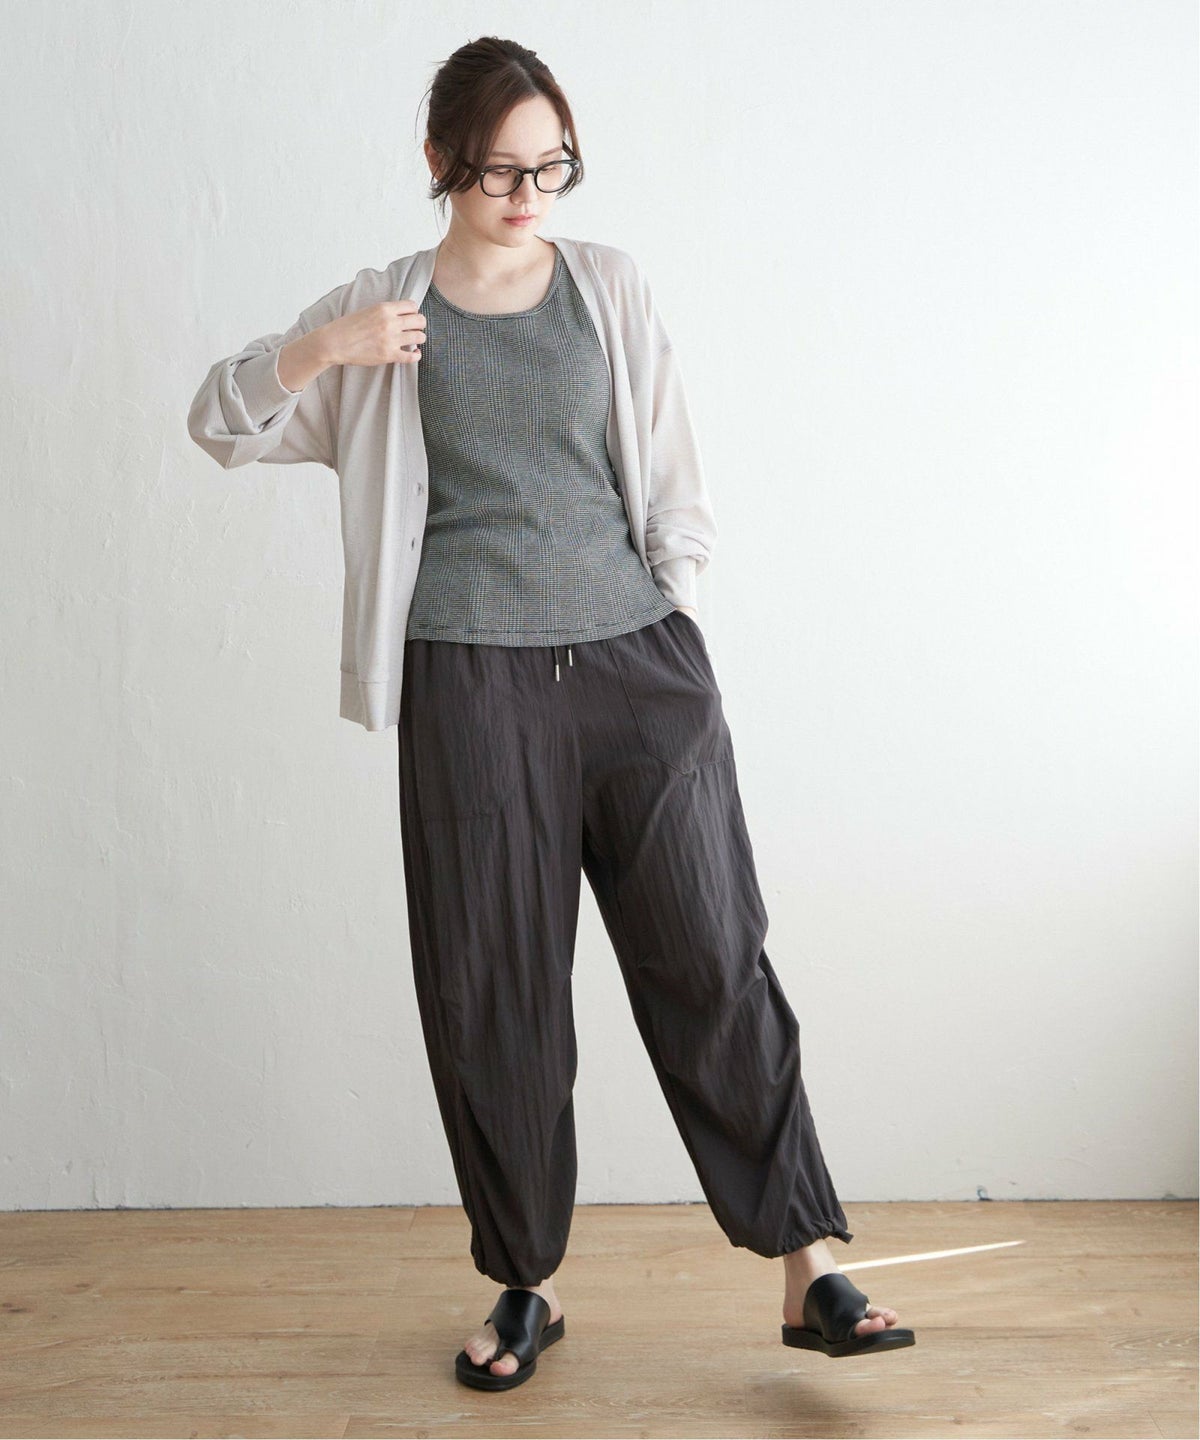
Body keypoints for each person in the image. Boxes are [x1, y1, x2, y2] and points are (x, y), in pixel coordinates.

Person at [188, 34, 914, 1393]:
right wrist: (329, 346)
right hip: (473, 685)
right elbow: (218, 422)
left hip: (641, 675)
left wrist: (677, 625)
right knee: (494, 991)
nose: (528, 195)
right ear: (439, 163)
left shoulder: (609, 285)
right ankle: (526, 1281)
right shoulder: (386, 311)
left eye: (552, 167)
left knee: (715, 959)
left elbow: (677, 481)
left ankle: (806, 1261)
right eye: (499, 171)